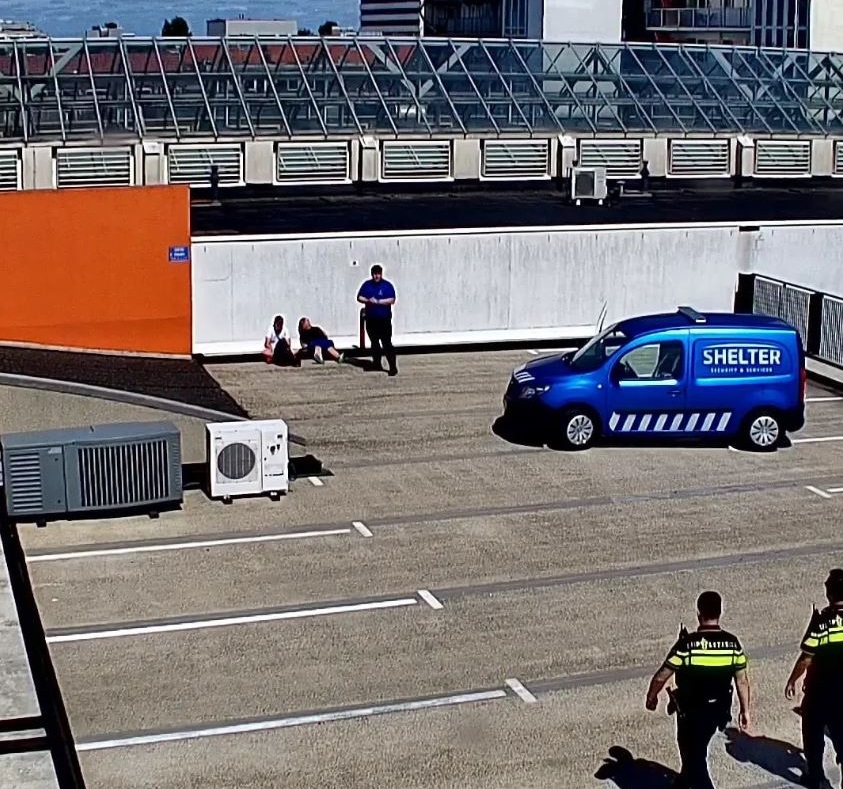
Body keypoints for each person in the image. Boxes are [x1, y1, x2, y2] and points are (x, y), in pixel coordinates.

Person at [645, 590, 752, 788]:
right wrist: (745, 710)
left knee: (695, 757)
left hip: (691, 712)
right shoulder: (733, 644)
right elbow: (742, 681)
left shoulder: (687, 645)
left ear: (699, 614)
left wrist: (651, 697)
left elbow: (662, 675)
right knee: (691, 749)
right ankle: (684, 781)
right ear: (720, 612)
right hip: (718, 711)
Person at [785, 568, 843, 789]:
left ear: (829, 594)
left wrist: (793, 679)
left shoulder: (822, 621)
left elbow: (806, 658)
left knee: (813, 734)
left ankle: (816, 777)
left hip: (820, 691)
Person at [357, 264, 398, 376]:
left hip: (384, 319)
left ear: (381, 274)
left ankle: (392, 367)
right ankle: (376, 363)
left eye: (378, 274)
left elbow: (392, 299)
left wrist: (379, 302)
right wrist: (368, 300)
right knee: (374, 343)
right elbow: (359, 297)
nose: (376, 276)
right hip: (371, 319)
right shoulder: (367, 285)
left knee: (386, 343)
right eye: (375, 274)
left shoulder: (387, 285)